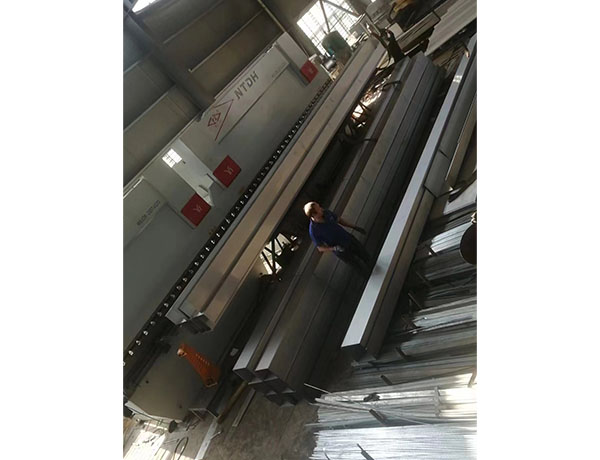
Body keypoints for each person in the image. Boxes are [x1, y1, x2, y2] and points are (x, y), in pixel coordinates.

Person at [304, 201, 372, 277]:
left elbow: (339, 220)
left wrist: (354, 227)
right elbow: (320, 247)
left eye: (319, 206)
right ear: (314, 215)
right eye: (319, 209)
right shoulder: (314, 231)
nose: (321, 209)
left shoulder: (326, 213)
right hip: (341, 250)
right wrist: (334, 248)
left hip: (348, 238)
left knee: (365, 255)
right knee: (357, 266)